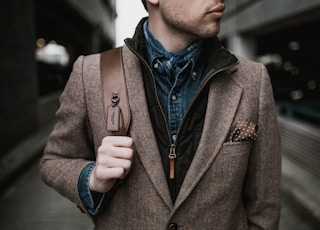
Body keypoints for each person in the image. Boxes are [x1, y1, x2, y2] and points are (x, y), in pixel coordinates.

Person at [40, 0, 281, 229]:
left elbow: (265, 205)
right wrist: (91, 178)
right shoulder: (90, 73)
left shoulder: (253, 80)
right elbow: (54, 161)